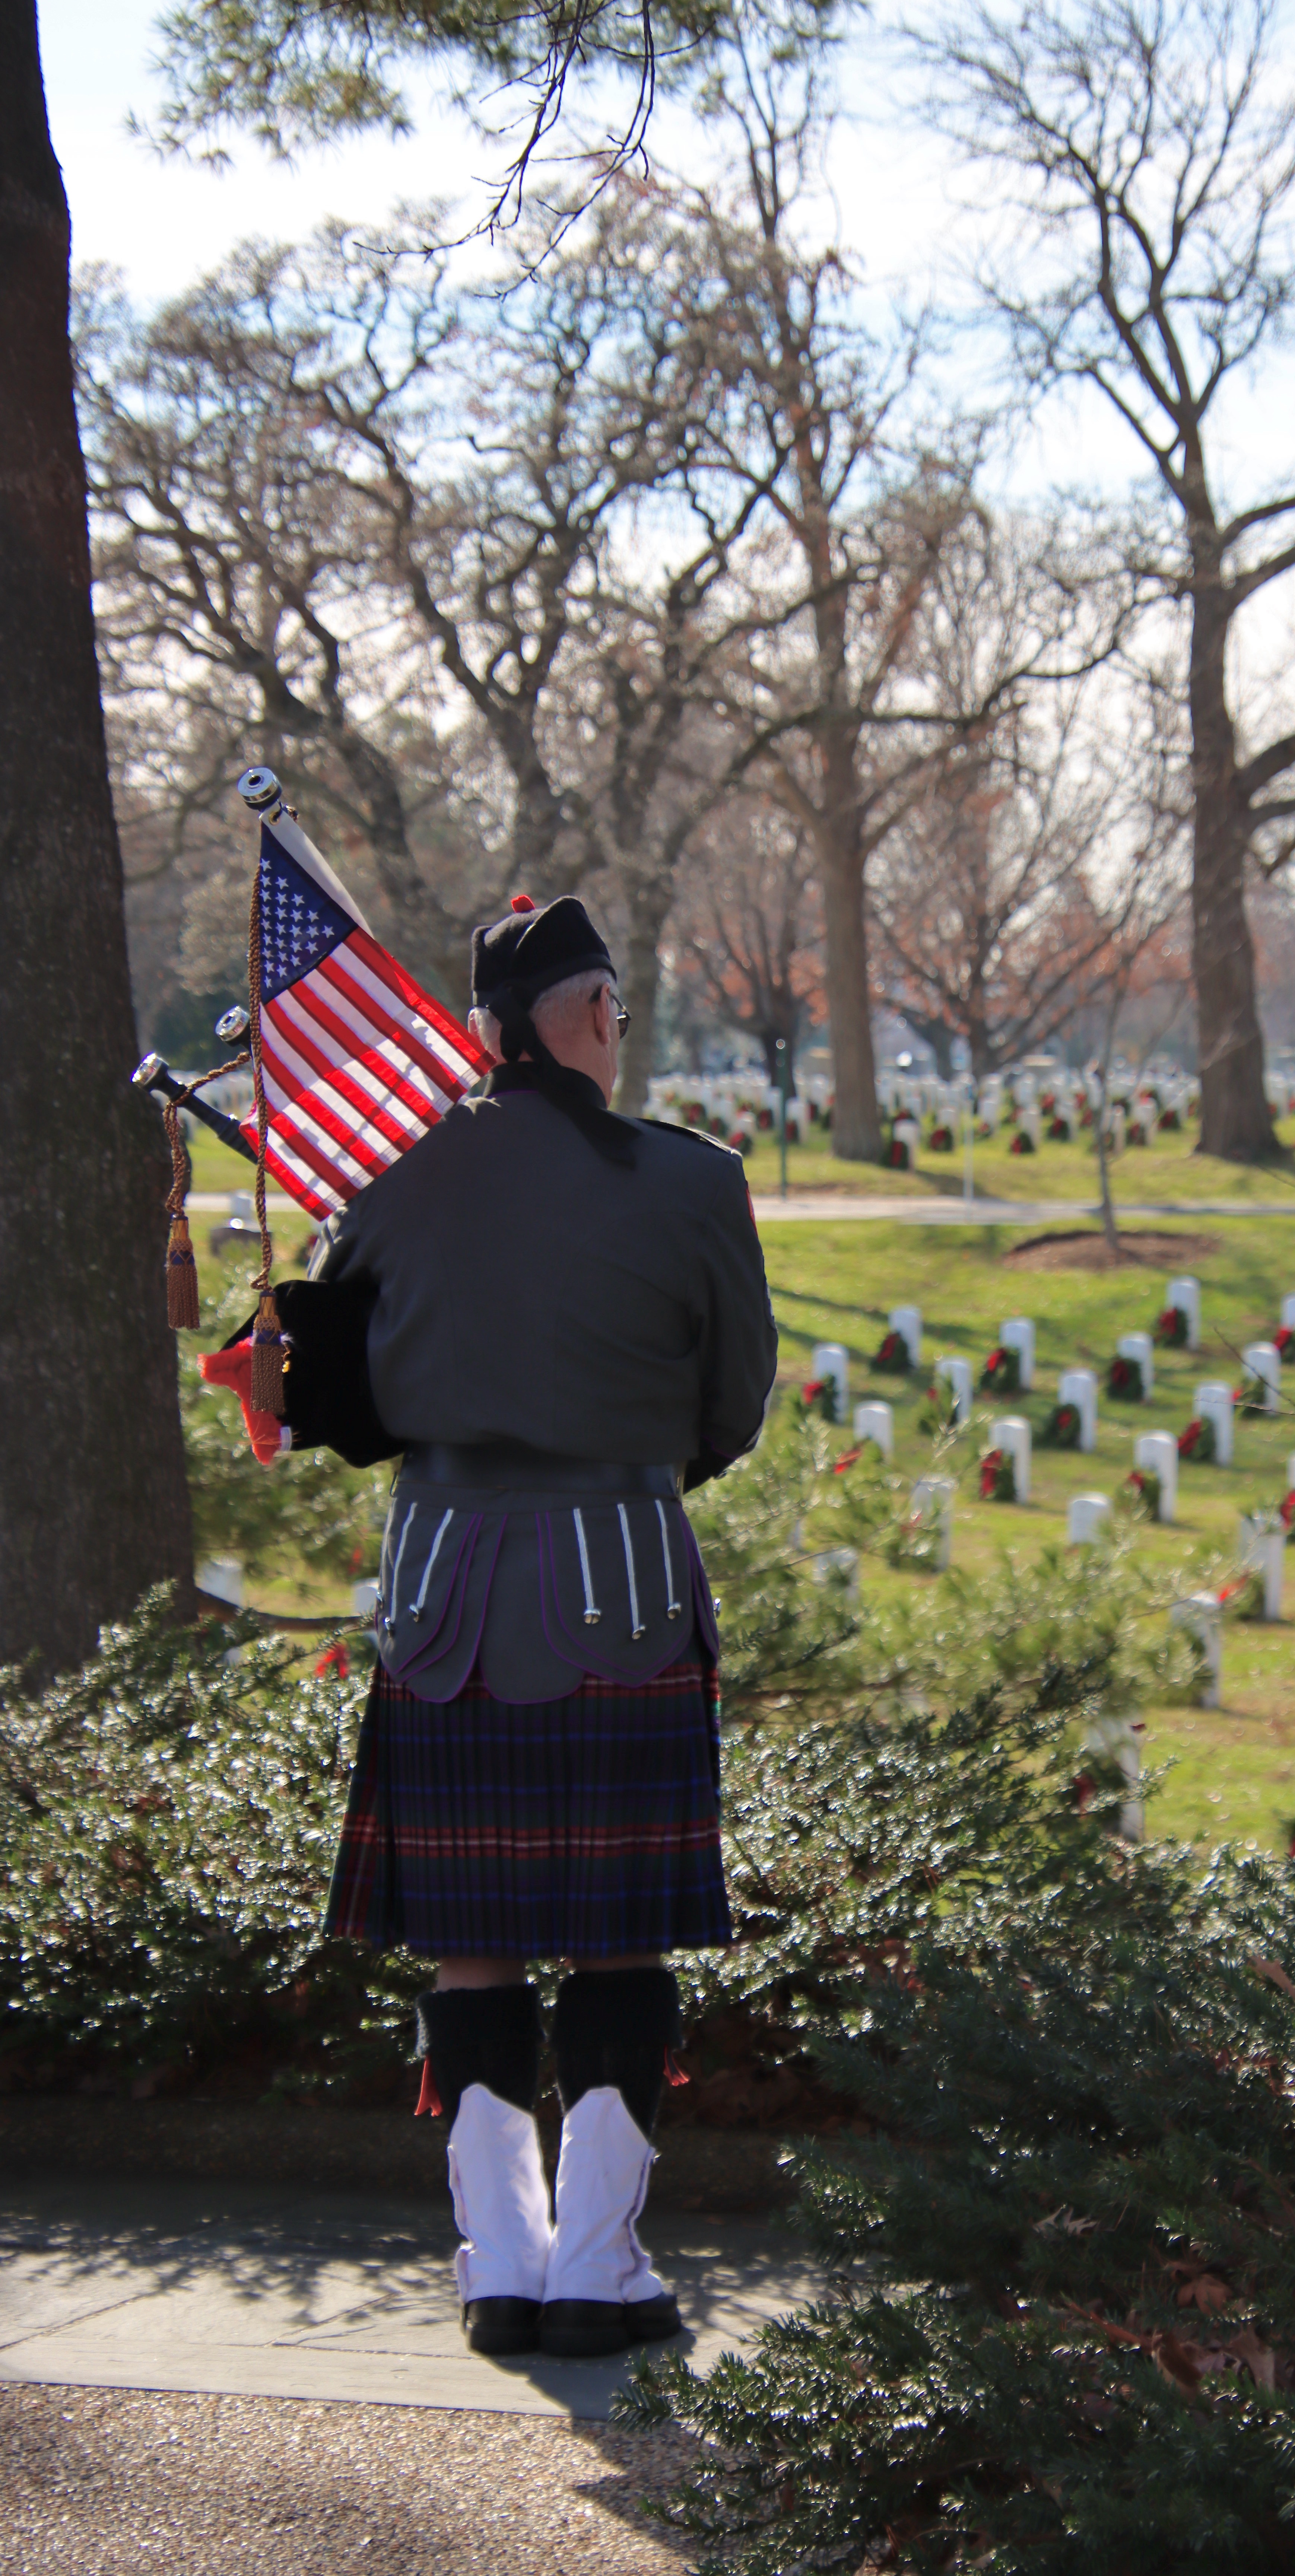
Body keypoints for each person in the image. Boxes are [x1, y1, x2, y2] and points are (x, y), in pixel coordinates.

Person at [304, 892, 777, 2359]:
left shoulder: (389, 1180)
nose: (621, 1042)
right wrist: (614, 1472)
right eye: (618, 1015)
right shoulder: (691, 1185)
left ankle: (495, 2266)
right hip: (621, 1577)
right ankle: (597, 2266)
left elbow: (346, 1407)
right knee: (619, 1944)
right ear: (585, 1016)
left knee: (472, 1941)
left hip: (447, 1585)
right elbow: (732, 1407)